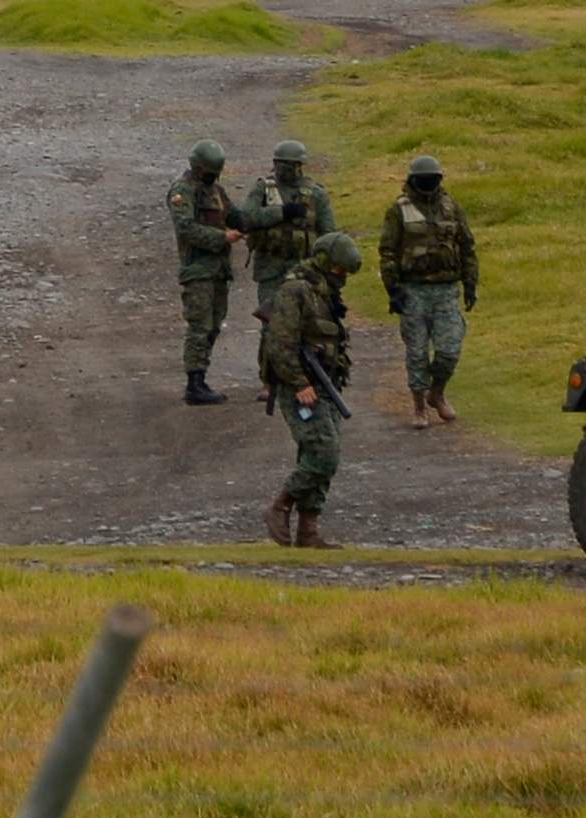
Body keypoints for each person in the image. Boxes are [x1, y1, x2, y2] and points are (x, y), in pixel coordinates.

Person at [262, 230, 363, 547]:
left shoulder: (324, 293)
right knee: (323, 453)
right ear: (324, 261)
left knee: (322, 453)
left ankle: (309, 529)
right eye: (339, 269)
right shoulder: (296, 291)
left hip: (326, 386)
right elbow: (280, 343)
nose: (342, 276)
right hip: (302, 389)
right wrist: (299, 382)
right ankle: (281, 505)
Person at [378, 152, 480, 427]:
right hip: (413, 290)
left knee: (449, 350)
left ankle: (437, 393)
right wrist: (393, 290)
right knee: (417, 352)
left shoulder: (451, 207)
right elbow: (388, 251)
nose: (428, 184)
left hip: (446, 290)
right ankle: (419, 406)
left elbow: (467, 246)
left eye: (432, 179)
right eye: (423, 179)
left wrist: (470, 283)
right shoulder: (398, 210)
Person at [171, 139, 250, 406]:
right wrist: (222, 237)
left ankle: (200, 377)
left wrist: (256, 220)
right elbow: (186, 228)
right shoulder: (182, 191)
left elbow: (235, 215)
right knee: (200, 326)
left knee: (214, 325)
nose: (212, 176)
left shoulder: (216, 191)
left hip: (219, 271)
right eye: (209, 172)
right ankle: (194, 384)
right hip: (198, 270)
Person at [239, 139, 334, 309]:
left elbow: (329, 235)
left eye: (290, 165)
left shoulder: (316, 194)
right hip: (270, 269)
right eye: (280, 164)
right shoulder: (262, 189)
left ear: (299, 166)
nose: (284, 169)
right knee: (270, 317)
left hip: (304, 270)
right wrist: (281, 212)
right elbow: (246, 217)